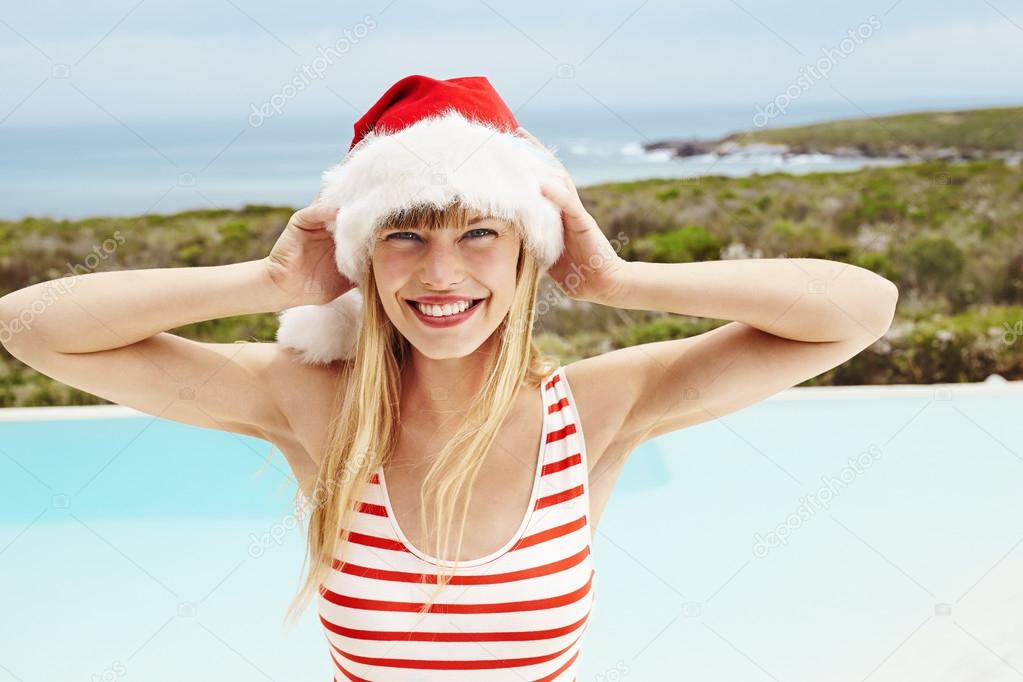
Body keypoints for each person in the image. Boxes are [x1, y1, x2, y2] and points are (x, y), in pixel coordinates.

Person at [0, 75, 898, 680]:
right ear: (362, 257)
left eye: (478, 234)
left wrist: (617, 280)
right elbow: (30, 329)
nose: (440, 274)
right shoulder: (306, 401)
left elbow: (859, 310)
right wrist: (268, 283)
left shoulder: (595, 408)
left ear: (524, 255)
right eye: (404, 235)